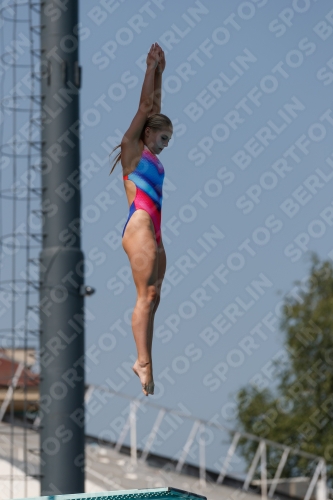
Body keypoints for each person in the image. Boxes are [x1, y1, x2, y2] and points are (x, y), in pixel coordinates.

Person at [109, 43, 173, 396]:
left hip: (156, 228)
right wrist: (150, 67)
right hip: (140, 224)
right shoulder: (132, 149)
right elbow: (146, 107)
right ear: (146, 134)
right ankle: (143, 361)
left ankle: (146, 359)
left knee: (154, 295)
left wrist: (161, 72)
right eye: (162, 139)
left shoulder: (148, 146)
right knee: (144, 295)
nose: (165, 145)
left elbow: (155, 108)